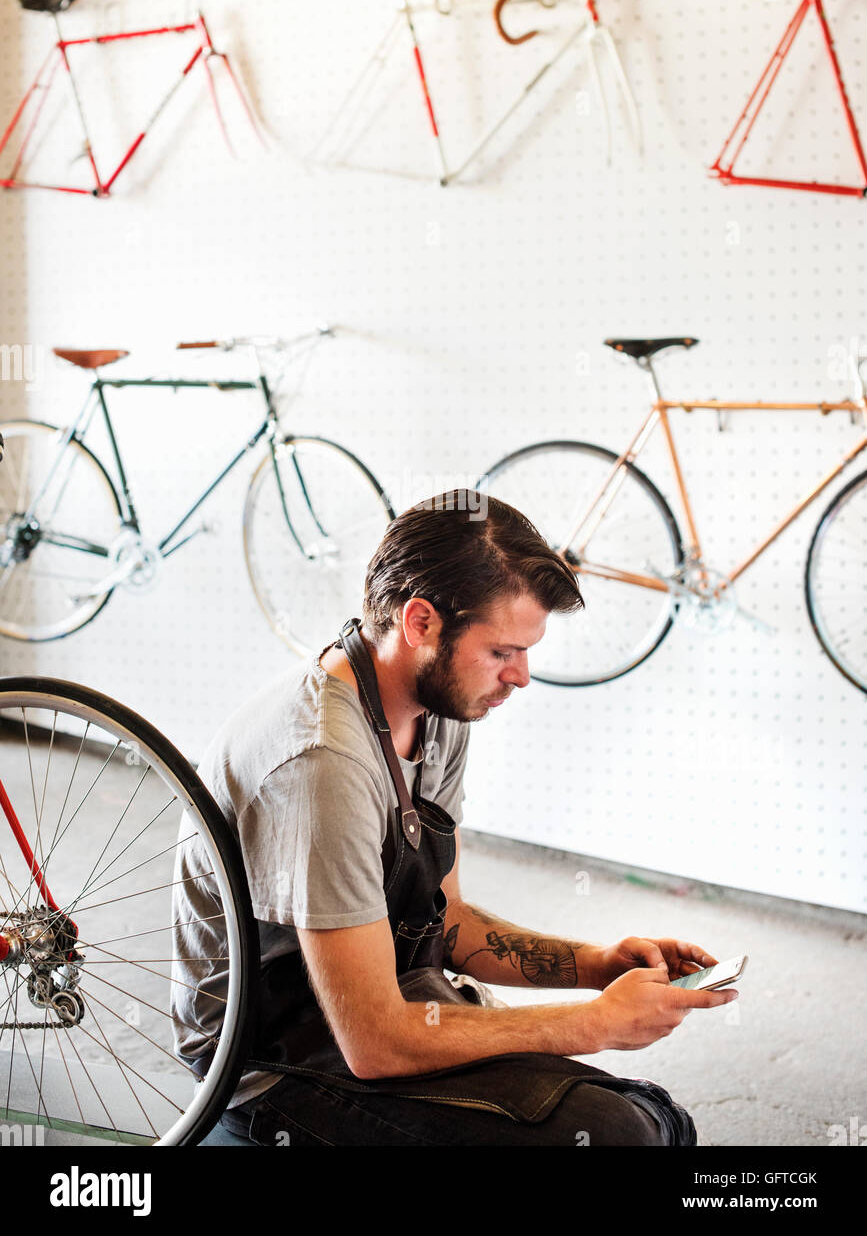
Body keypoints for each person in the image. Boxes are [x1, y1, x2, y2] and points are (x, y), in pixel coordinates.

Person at [172, 491, 736, 1146]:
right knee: (618, 1137)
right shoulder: (321, 763)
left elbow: (445, 919)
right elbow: (376, 1044)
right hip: (274, 1063)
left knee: (653, 1121)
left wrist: (596, 963)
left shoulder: (433, 711)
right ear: (420, 623)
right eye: (502, 651)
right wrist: (595, 1022)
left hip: (391, 998)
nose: (521, 676)